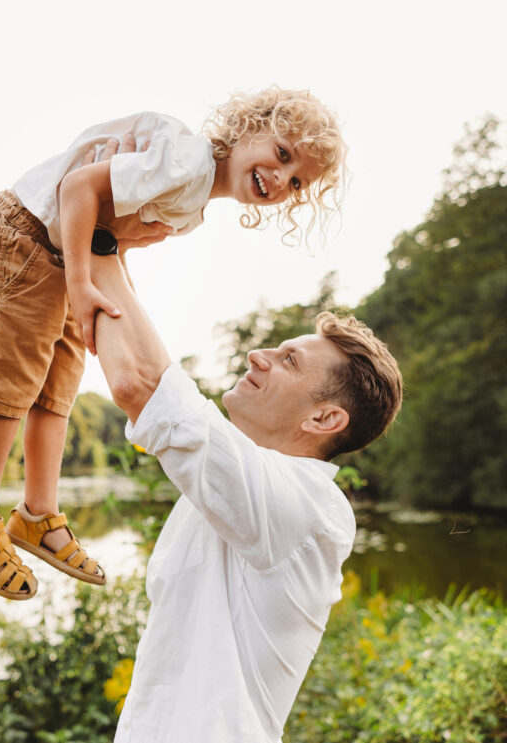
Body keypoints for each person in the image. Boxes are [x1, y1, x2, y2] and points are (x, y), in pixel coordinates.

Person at [0, 89, 348, 601]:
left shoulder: (193, 203)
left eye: (296, 182)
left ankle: (37, 514)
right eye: (283, 155)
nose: (281, 179)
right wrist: (84, 286)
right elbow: (78, 187)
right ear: (247, 129)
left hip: (65, 256)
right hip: (26, 236)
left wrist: (101, 290)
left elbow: (110, 231)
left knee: (55, 393)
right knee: (10, 389)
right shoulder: (187, 161)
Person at [89, 250, 403, 741]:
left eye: (288, 361)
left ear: (323, 420)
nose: (260, 355)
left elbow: (140, 385)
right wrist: (110, 253)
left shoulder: (311, 507)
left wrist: (94, 245)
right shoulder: (235, 488)